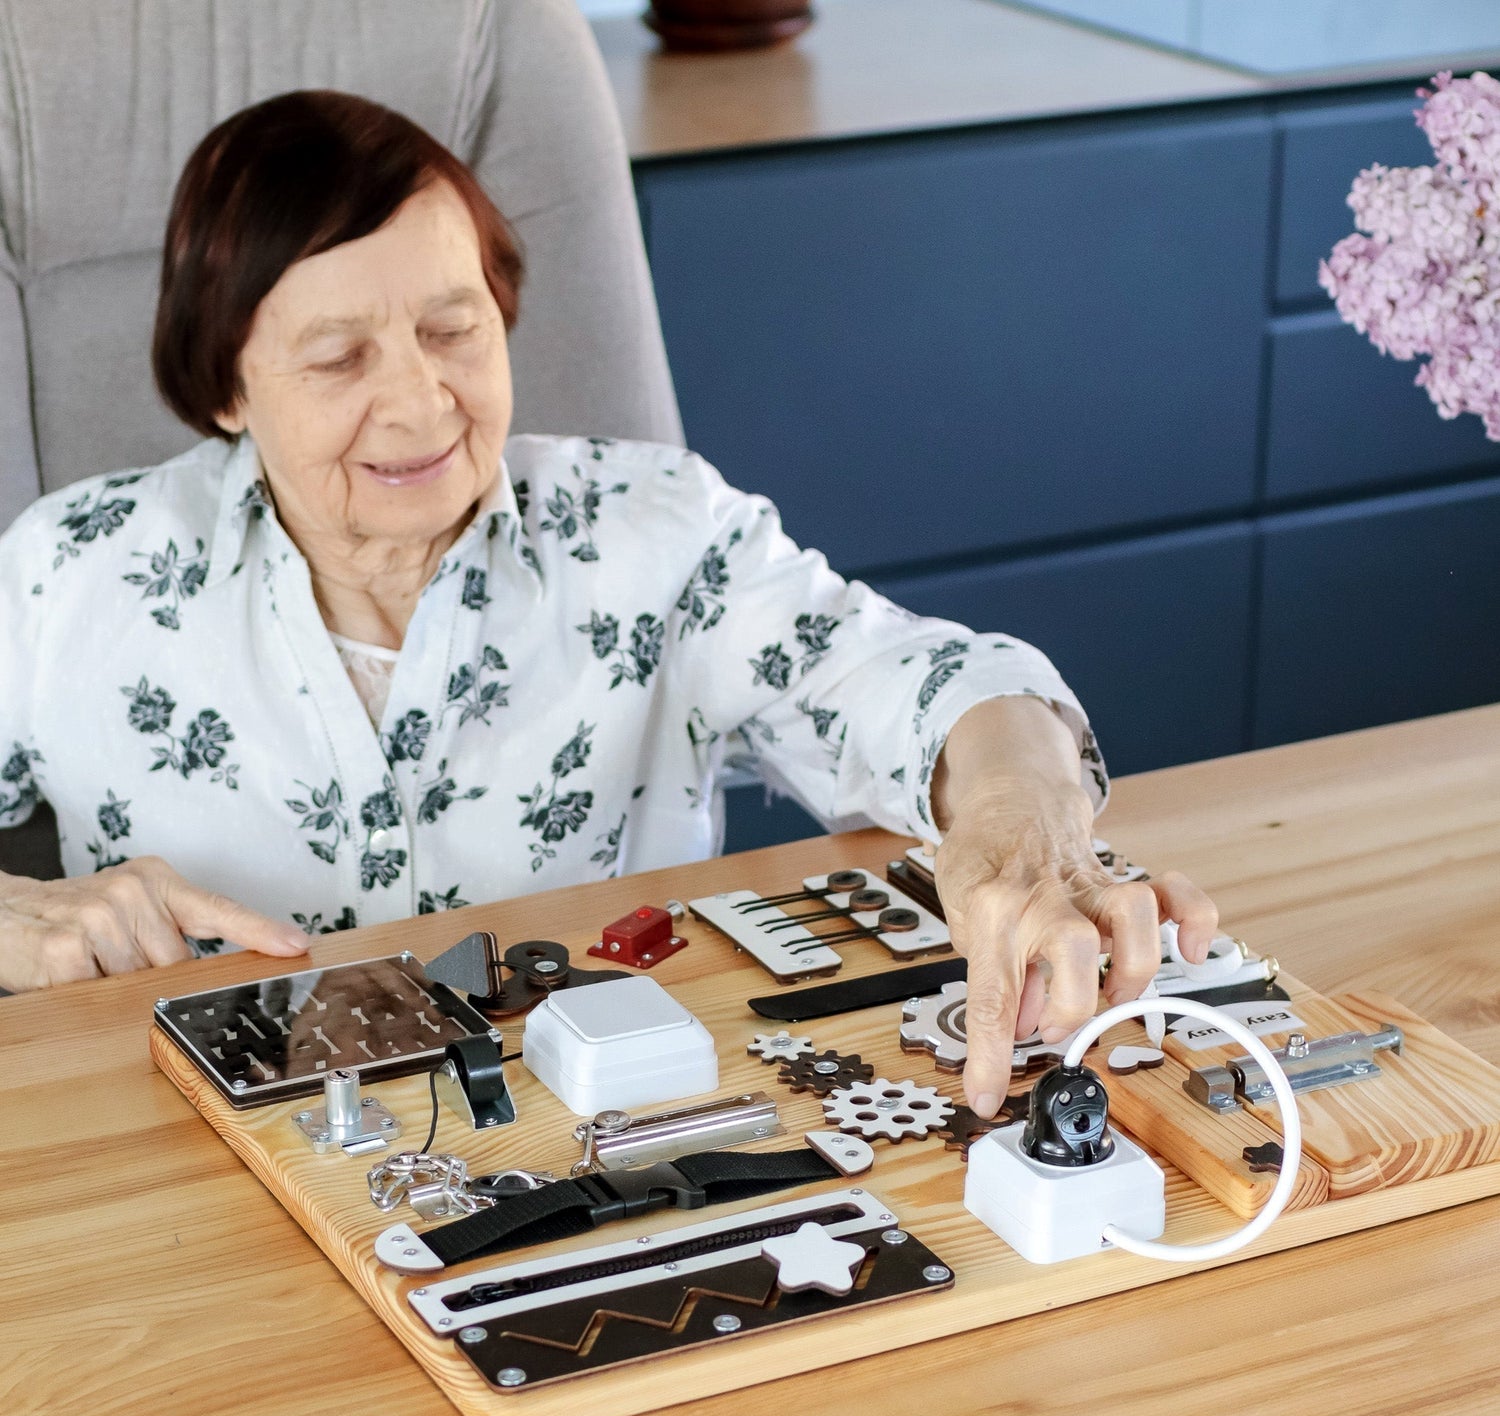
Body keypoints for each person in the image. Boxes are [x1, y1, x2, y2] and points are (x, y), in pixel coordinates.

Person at [0, 91, 1215, 1114]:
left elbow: (922, 682)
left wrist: (1023, 819)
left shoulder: (654, 533)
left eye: (452, 328)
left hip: (598, 1141)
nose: (424, 405)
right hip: (184, 1190)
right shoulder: (70, 573)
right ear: (225, 385)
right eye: (339, 360)